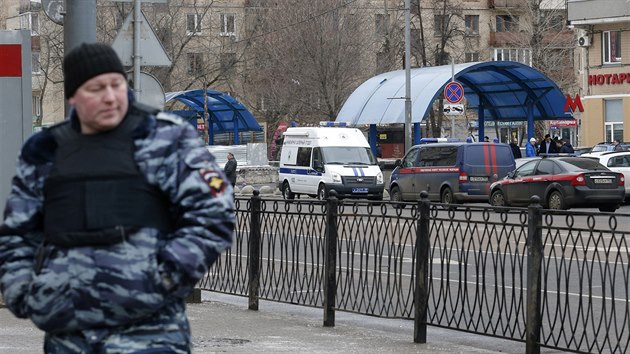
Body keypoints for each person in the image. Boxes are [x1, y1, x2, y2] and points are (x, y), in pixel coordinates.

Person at [0, 43, 235, 353]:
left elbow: (214, 216)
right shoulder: (44, 151)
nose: (110, 96)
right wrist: (26, 294)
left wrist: (160, 280)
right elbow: (17, 234)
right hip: (69, 337)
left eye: (116, 84)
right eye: (96, 88)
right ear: (72, 96)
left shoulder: (167, 139)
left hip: (151, 335)